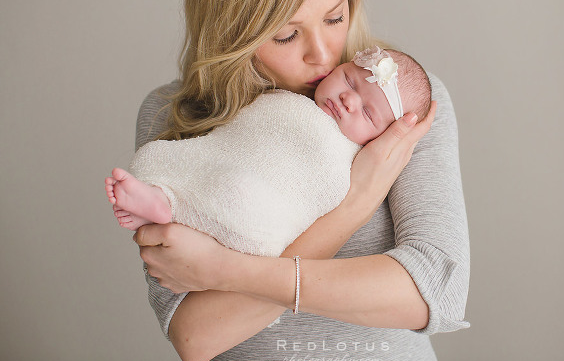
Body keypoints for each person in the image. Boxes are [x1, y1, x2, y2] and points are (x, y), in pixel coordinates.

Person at [132, 0, 469, 361]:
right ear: (231, 29)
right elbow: (195, 336)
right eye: (286, 34)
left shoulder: (399, 106)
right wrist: (354, 203)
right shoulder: (173, 117)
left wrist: (224, 271)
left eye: (334, 17)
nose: (323, 54)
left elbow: (433, 291)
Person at [105, 48, 432, 261]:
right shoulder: (281, 97)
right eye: (348, 79)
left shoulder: (357, 159)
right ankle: (161, 198)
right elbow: (238, 140)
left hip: (257, 199)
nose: (348, 99)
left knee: (238, 196)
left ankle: (170, 208)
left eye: (369, 114)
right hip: (224, 160)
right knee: (157, 156)